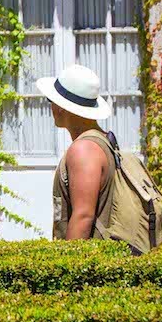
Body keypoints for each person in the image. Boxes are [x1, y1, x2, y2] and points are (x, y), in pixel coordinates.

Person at [35, 64, 116, 241]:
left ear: (61, 107)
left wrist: (67, 266)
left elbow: (83, 217)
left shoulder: (84, 150)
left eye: (51, 100)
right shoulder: (101, 140)